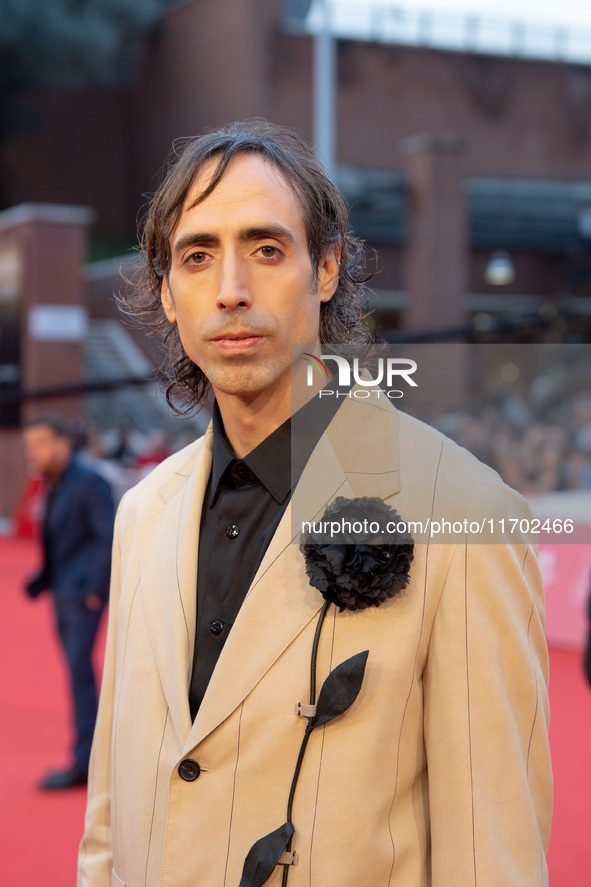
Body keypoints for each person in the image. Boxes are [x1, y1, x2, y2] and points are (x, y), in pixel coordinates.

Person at [79, 121, 552, 886]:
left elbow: (488, 848)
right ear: (166, 291)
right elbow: (109, 816)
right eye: (197, 256)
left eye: (266, 249)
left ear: (325, 268)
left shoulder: (464, 512)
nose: (231, 289)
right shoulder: (142, 513)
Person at [23, 415, 114, 789]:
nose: (33, 453)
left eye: (40, 444)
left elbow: (107, 536)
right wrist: (42, 579)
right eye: (30, 446)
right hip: (63, 591)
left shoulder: (89, 481)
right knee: (76, 674)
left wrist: (93, 589)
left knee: (80, 674)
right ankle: (88, 757)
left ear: (62, 443)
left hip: (82, 595)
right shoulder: (55, 482)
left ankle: (86, 761)